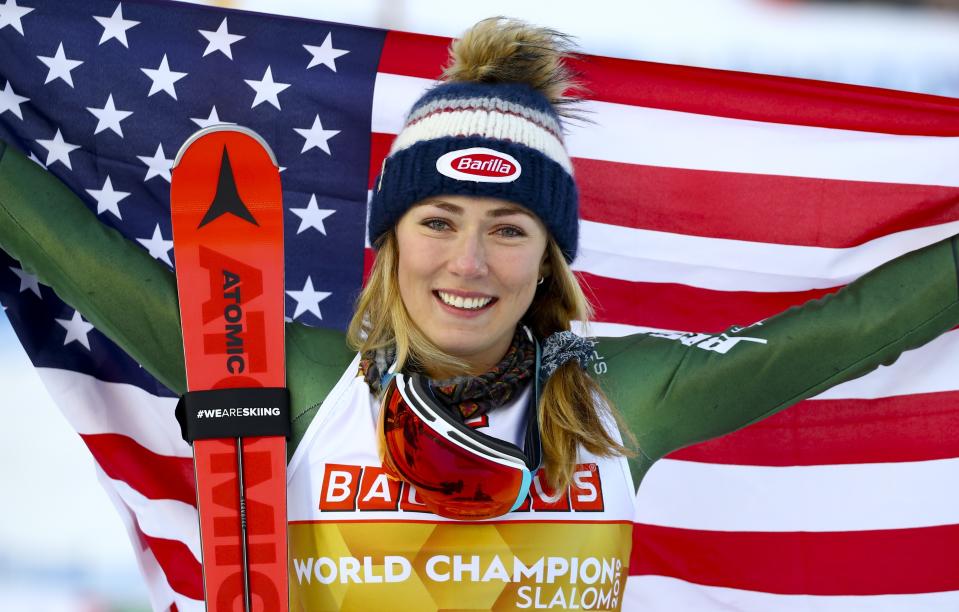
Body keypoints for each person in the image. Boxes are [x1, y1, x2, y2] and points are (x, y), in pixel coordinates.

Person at [2, 16, 959, 612]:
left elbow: (857, 327)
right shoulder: (283, 373)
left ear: (549, 259)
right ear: (387, 241)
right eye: (438, 221)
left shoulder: (618, 398)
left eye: (509, 229)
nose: (467, 263)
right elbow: (52, 239)